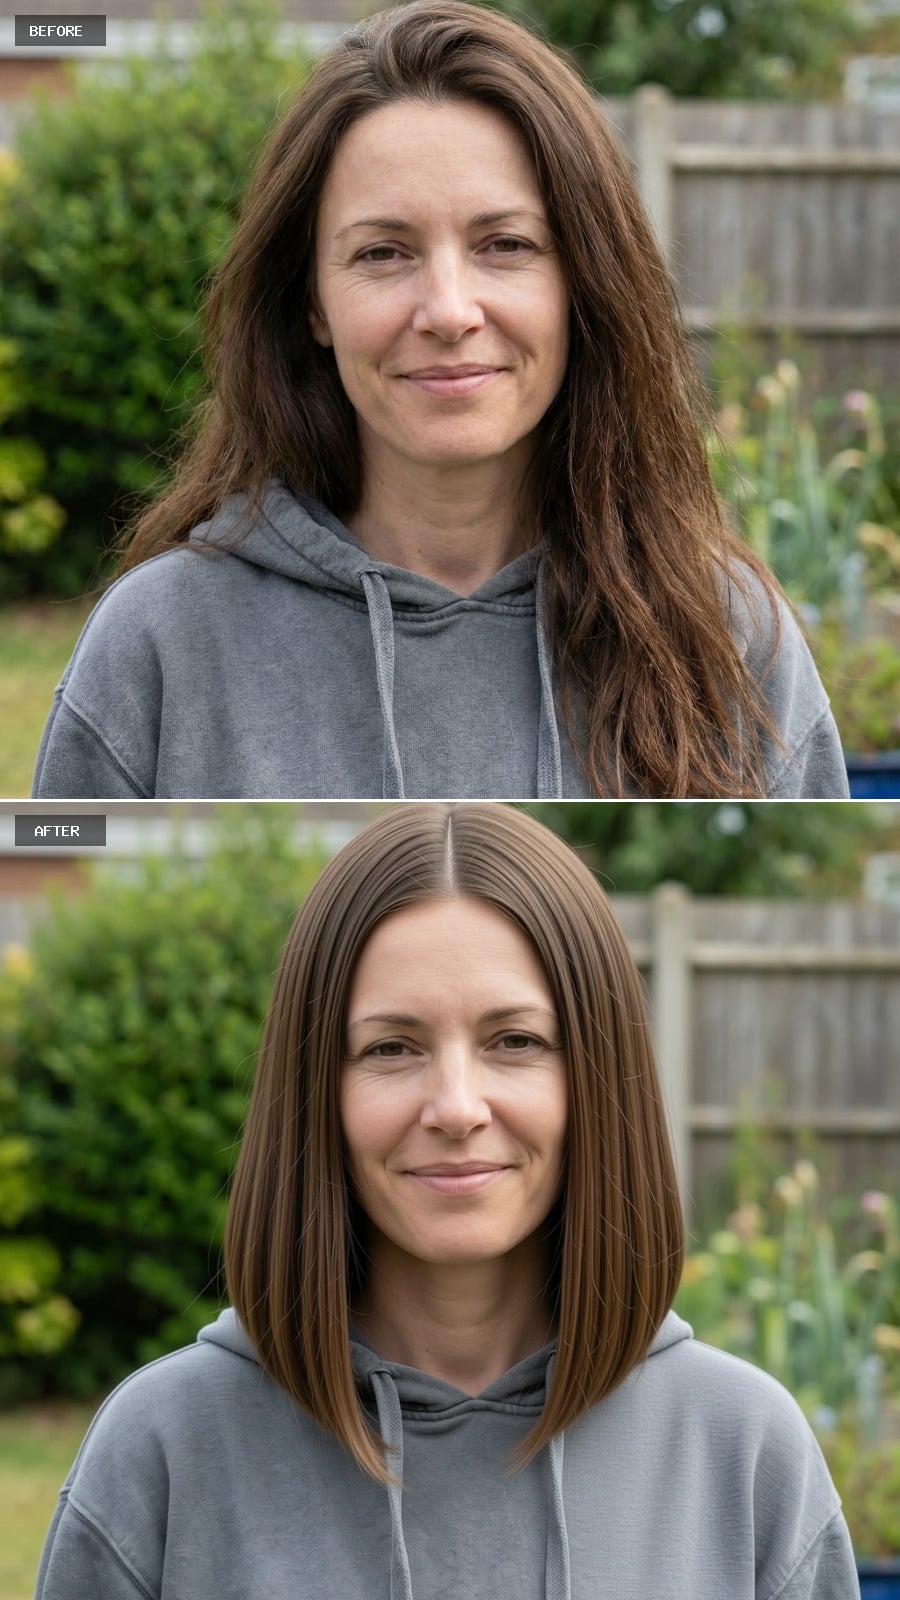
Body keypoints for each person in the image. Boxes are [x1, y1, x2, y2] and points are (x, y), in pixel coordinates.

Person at [35, 803, 859, 1599]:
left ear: (598, 1077)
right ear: (316, 1089)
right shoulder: (162, 1450)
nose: (457, 1108)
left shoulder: (745, 1451)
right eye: (392, 1048)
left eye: (516, 1041)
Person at [32, 1, 847, 801]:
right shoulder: (160, 642)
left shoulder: (730, 636)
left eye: (507, 245)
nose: (449, 312)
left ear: (583, 283)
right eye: (383, 253)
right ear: (312, 302)